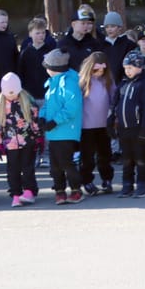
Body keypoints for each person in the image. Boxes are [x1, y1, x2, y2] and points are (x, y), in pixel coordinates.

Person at [40, 50, 85, 204]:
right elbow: (47, 103)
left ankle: (76, 189)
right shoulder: (53, 82)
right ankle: (59, 190)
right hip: (53, 132)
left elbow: (72, 107)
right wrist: (42, 117)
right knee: (55, 165)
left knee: (66, 162)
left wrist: (54, 121)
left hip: (66, 131)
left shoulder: (69, 82)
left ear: (53, 68)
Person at [0, 71, 40, 207]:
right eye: (8, 94)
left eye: (14, 94)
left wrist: (38, 137)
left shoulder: (28, 101)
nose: (11, 97)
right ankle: (16, 194)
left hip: (27, 141)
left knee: (28, 167)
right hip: (10, 144)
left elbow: (35, 120)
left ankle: (29, 191)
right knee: (13, 170)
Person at [115, 53, 145, 197]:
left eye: (130, 68)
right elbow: (115, 103)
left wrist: (144, 128)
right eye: (126, 68)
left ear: (139, 67)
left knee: (140, 158)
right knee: (126, 158)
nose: (128, 71)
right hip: (123, 128)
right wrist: (111, 120)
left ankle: (143, 183)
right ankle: (127, 184)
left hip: (138, 128)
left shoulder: (144, 84)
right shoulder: (123, 83)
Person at [76, 52, 116, 196]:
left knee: (105, 155)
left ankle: (107, 179)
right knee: (87, 157)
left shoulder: (108, 80)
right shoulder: (82, 81)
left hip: (103, 125)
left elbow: (114, 97)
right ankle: (87, 180)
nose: (99, 73)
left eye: (102, 70)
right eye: (96, 70)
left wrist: (113, 115)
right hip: (86, 126)